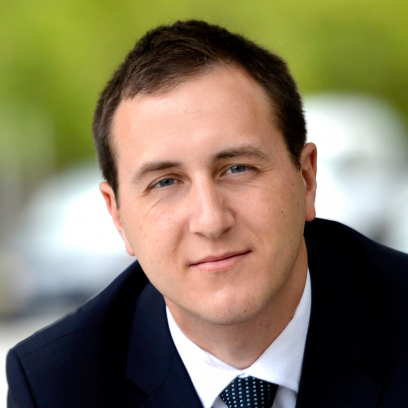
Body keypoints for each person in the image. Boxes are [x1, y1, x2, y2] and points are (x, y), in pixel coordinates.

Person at [6, 20, 408, 408]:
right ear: (118, 216)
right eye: (165, 182)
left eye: (237, 169)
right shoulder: (57, 384)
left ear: (305, 178)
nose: (211, 221)